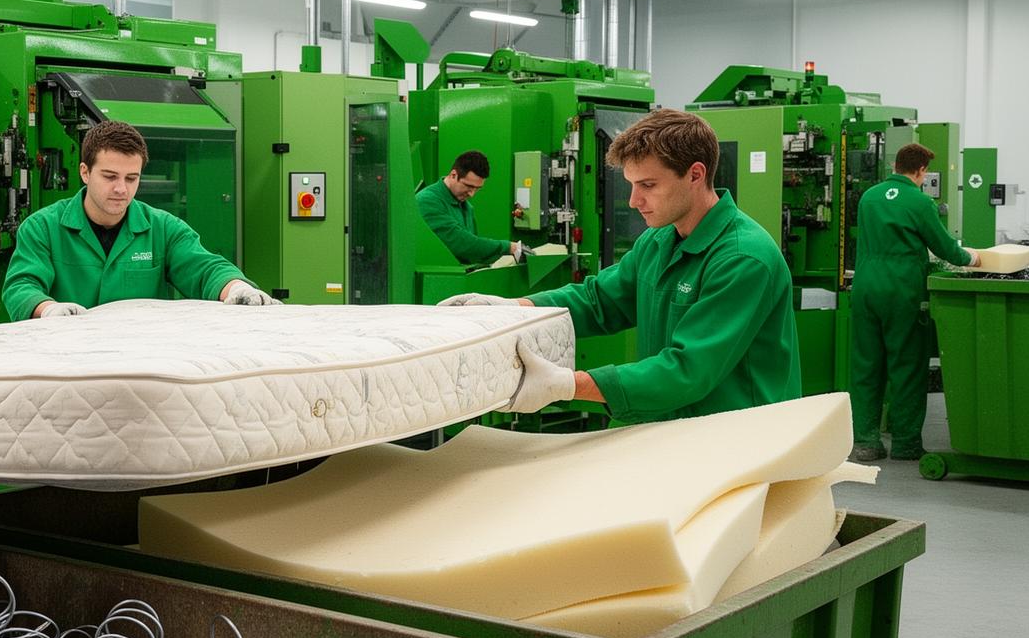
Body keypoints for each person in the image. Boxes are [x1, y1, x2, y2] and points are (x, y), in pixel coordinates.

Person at [442, 109, 800, 423]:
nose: (633, 201)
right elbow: (599, 301)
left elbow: (688, 371)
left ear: (695, 174)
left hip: (739, 438)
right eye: (630, 185)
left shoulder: (742, 259)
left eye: (647, 185)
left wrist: (568, 385)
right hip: (673, 424)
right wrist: (513, 310)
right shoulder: (659, 240)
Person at [1, 120, 277, 320]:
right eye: (110, 176)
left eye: (131, 178)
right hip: (65, 357)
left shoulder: (163, 228)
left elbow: (205, 268)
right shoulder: (43, 228)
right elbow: (21, 286)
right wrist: (47, 308)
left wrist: (237, 287)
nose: (122, 188)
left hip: (143, 360)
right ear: (85, 172)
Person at [848, 142, 990, 461]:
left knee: (866, 366)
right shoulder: (920, 202)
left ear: (896, 165)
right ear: (922, 170)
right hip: (902, 290)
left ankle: (866, 442)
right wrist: (977, 258)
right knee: (907, 366)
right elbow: (945, 249)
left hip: (866, 286)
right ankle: (906, 443)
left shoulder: (869, 197)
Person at [414, 150, 527, 267]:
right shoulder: (427, 201)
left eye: (477, 188)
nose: (472, 194)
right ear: (453, 175)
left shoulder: (466, 207)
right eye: (468, 186)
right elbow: (463, 245)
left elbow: (473, 253)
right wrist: (509, 247)